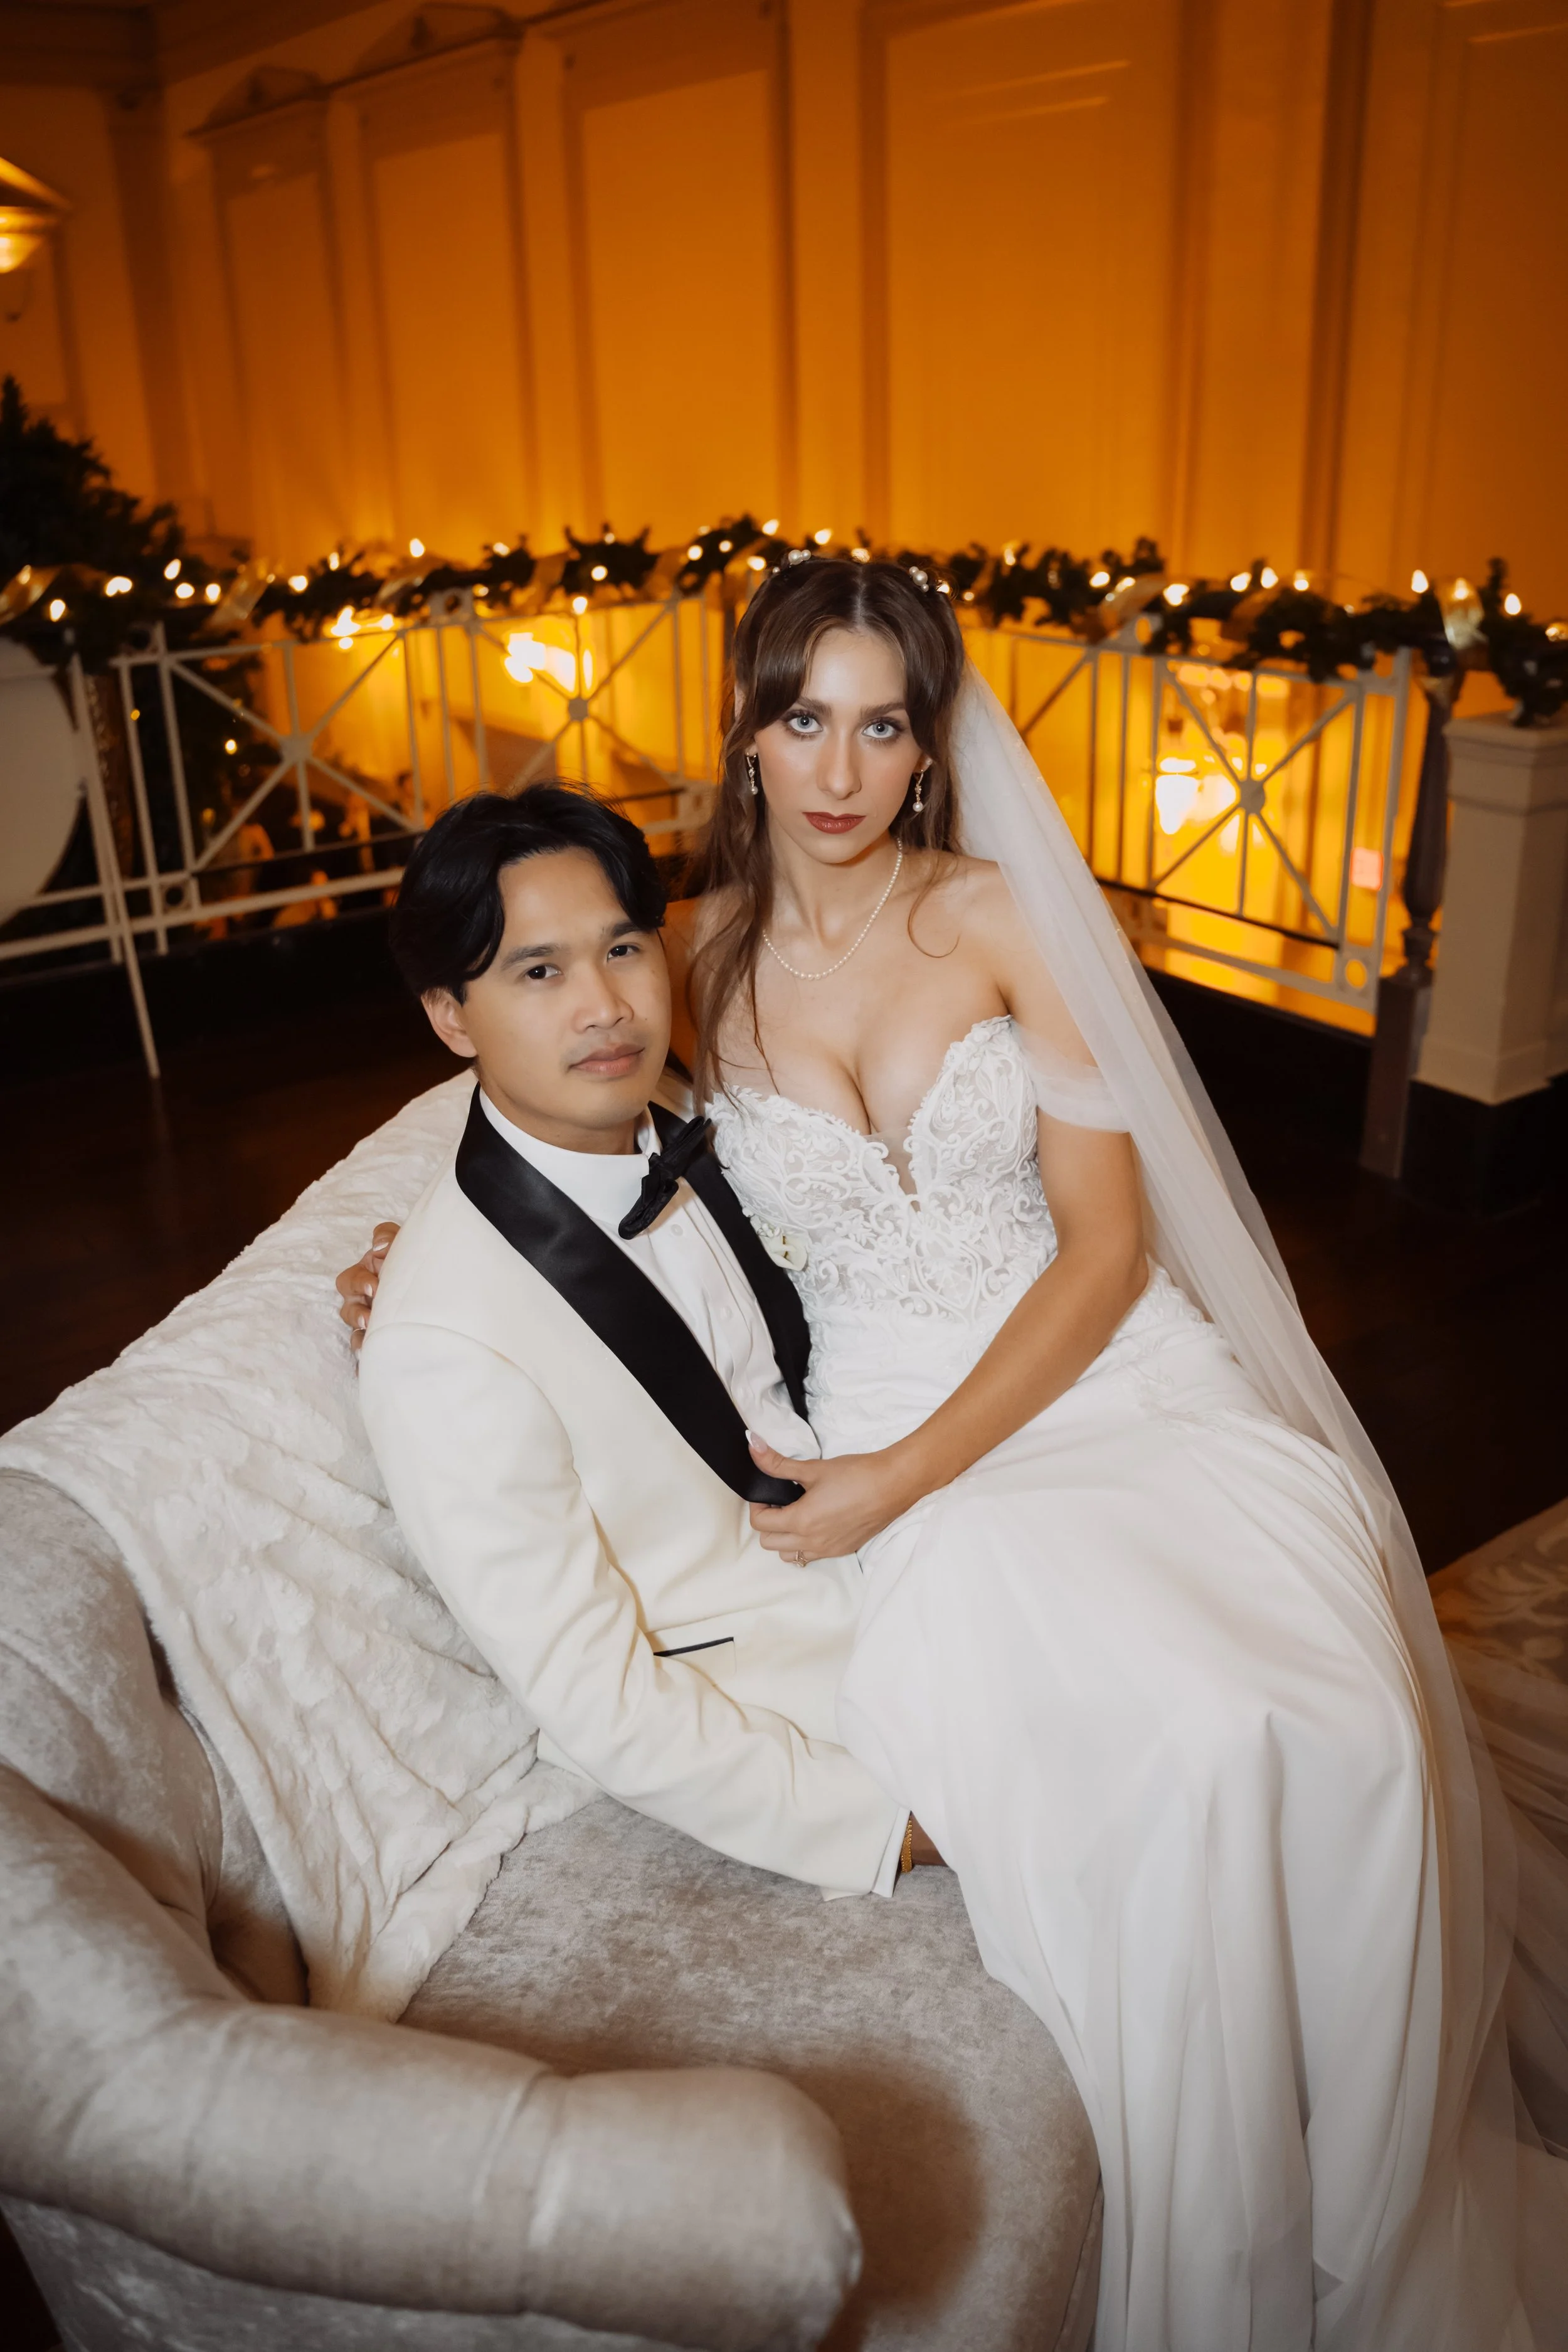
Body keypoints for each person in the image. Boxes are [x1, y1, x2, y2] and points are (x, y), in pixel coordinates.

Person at [344, 558, 1567, 2351]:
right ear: (747, 735)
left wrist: (910, 1468)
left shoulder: (1003, 917)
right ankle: (1232, 2232)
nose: (838, 769)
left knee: (1347, 1719)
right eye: (801, 719)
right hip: (881, 1419)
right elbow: (546, 1086)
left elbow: (1106, 1248)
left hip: (1095, 1370)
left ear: (928, 748)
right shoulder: (681, 955)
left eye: (882, 724)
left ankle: (1364, 2210)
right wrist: (411, 1247)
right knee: (1198, 1740)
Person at [351, 783, 926, 1899]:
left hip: (912, 1560)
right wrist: (896, 1828)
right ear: (452, 1018)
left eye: (623, 949)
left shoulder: (695, 1122)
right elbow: (594, 1695)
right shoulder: (439, 1337)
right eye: (539, 972)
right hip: (796, 1693)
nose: (605, 1006)